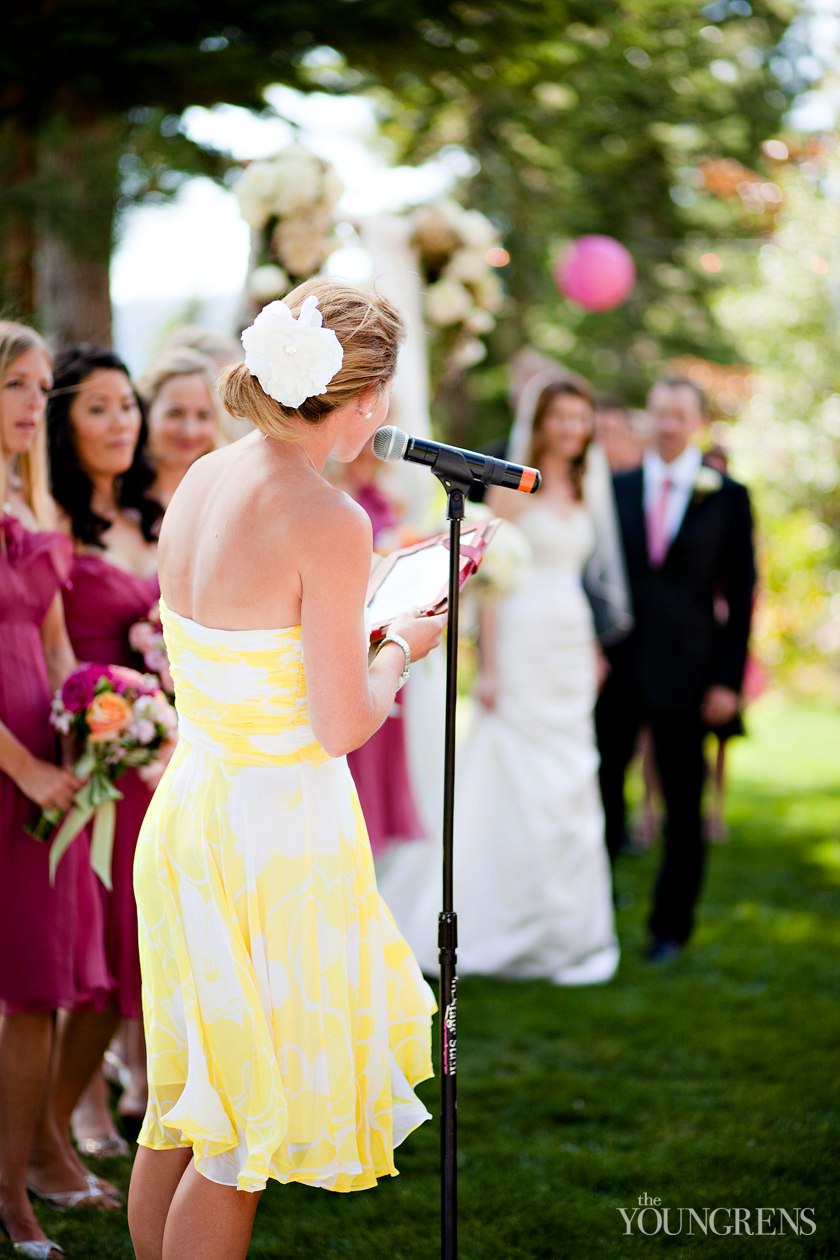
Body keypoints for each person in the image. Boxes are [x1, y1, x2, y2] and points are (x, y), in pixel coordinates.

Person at [127, 279, 444, 1260]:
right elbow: (344, 721)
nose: (383, 415)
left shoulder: (207, 478)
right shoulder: (328, 515)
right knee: (238, 1139)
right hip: (270, 837)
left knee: (186, 1106)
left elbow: (251, 634)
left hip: (190, 812)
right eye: (378, 395)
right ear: (352, 399)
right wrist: (401, 646)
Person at [389, 377, 625, 984]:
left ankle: (566, 926)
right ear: (542, 424)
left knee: (573, 775)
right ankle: (494, 913)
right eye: (562, 418)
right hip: (520, 637)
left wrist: (595, 648)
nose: (573, 430)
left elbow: (586, 577)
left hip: (570, 639)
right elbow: (494, 586)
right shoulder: (515, 491)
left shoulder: (584, 486)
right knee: (512, 764)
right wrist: (489, 667)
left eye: (582, 419)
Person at [0, 322, 118, 1259]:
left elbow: (53, 640)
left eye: (43, 388)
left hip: (52, 759)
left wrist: (91, 720)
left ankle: (17, 1185)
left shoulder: (29, 492)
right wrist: (24, 764)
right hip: (9, 762)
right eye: (20, 387)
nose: (37, 403)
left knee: (39, 987)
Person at [46, 347, 163, 1160]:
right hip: (83, 755)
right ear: (63, 423)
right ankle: (53, 1128)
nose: (121, 420)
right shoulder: (51, 519)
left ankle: (47, 1131)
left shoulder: (150, 515)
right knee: (86, 959)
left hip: (154, 756)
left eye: (128, 404)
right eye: (99, 407)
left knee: (132, 956)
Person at [595, 376, 756, 962]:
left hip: (692, 676)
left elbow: (741, 598)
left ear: (697, 421)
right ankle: (595, 916)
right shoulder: (616, 487)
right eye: (659, 412)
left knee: (685, 809)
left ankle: (670, 929)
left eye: (679, 414)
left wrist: (727, 682)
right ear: (648, 418)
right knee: (605, 791)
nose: (667, 424)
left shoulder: (729, 496)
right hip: (619, 670)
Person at [332, 438, 427, 860]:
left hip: (390, 636)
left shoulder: (393, 497)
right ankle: (352, 841)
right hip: (352, 635)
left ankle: (377, 845)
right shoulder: (333, 492)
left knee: (385, 741)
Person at [137, 347, 222, 508]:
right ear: (146, 412)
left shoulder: (222, 494)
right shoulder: (116, 497)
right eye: (175, 413)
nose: (190, 431)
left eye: (203, 415)